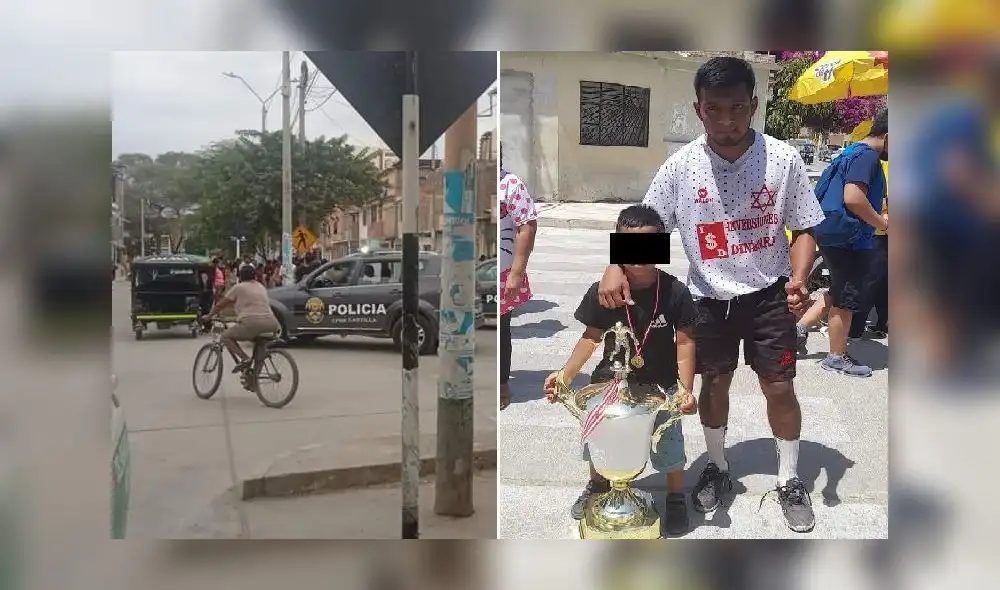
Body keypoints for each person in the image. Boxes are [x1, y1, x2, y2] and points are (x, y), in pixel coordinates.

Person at [596, 57, 825, 533]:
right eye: (715, 109)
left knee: (779, 386)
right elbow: (646, 226)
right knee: (713, 385)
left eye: (738, 108)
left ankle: (789, 477)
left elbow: (804, 228)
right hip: (706, 299)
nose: (727, 120)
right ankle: (718, 467)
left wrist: (799, 278)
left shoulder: (783, 159)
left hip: (769, 297)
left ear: (754, 106)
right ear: (698, 109)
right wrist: (613, 266)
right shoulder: (681, 168)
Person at [543, 205, 698, 535]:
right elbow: (589, 339)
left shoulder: (675, 293)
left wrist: (685, 388)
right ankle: (597, 486)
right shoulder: (604, 293)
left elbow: (684, 343)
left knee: (670, 446)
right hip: (608, 386)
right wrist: (564, 375)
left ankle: (674, 497)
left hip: (662, 385)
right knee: (597, 441)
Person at [818, 107, 889, 378]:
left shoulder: (850, 151)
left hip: (835, 233)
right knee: (845, 298)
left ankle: (836, 351)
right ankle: (836, 356)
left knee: (840, 294)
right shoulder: (867, 157)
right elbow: (853, 198)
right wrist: (882, 222)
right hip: (849, 238)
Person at [499, 142, 538, 410]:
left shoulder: (510, 184)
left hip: (501, 273)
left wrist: (516, 272)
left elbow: (527, 226)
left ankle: (501, 385)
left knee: (500, 330)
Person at [205, 264, 281, 373]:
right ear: (255, 276)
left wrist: (208, 316)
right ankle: (254, 381)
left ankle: (244, 358)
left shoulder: (238, 287)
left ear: (240, 277)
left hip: (252, 324)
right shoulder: (261, 286)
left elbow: (220, 305)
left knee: (225, 336)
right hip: (271, 324)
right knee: (260, 347)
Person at [848, 158, 889, 340]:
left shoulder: (875, 164)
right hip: (880, 232)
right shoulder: (879, 163)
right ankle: (882, 324)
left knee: (869, 284)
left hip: (876, 234)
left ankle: (856, 329)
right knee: (881, 283)